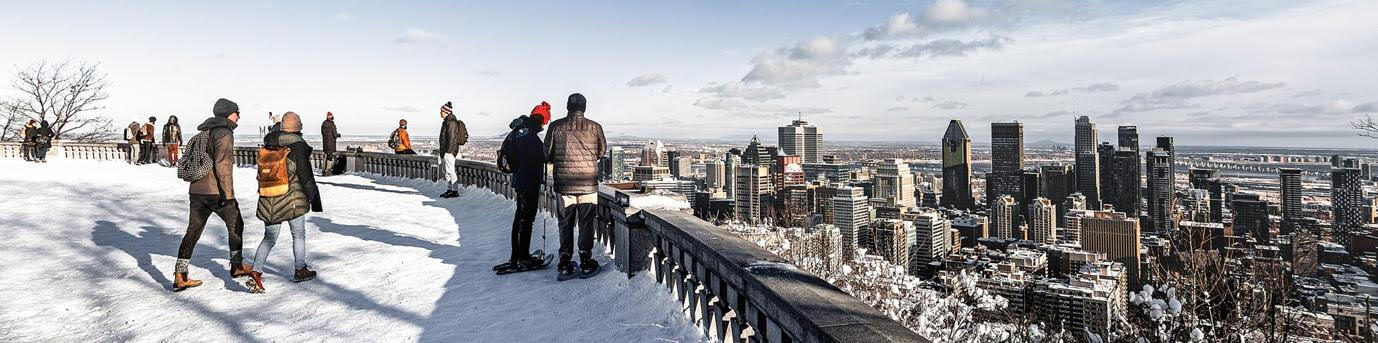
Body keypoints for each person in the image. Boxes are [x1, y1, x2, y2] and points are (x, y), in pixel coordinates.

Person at [173, 98, 249, 292]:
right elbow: (223, 165)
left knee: (193, 231)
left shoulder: (204, 132)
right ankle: (237, 265)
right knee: (236, 224)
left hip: (197, 190)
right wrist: (229, 196)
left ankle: (180, 275)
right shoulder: (224, 132)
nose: (239, 115)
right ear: (228, 114)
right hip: (215, 191)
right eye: (237, 112)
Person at [243, 112, 321, 293]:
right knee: (298, 234)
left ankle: (255, 272)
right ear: (298, 128)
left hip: (269, 196)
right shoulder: (297, 147)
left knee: (269, 238)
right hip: (291, 199)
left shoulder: (269, 144)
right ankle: (300, 269)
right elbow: (306, 176)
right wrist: (314, 200)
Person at [544, 93, 606, 281]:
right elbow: (602, 151)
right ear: (584, 107)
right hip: (588, 182)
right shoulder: (595, 127)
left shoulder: (555, 126)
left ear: (567, 107)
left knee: (565, 222)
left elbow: (546, 154)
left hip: (564, 183)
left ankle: (565, 262)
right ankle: (586, 261)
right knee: (586, 223)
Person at [493, 102, 551, 274]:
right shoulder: (529, 136)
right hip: (529, 182)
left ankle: (516, 256)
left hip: (520, 181)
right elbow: (540, 157)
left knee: (520, 219)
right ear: (540, 120)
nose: (544, 126)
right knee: (526, 221)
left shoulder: (517, 132)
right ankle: (522, 258)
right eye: (544, 123)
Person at [437, 101, 468, 198]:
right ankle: (449, 189)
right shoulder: (447, 121)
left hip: (449, 151)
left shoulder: (451, 122)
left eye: (441, 111)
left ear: (445, 111)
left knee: (450, 171)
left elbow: (452, 138)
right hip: (445, 151)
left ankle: (454, 191)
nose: (440, 113)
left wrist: (448, 152)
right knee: (446, 171)